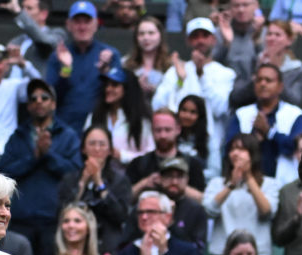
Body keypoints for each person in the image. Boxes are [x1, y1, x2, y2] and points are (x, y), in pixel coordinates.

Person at [0, 78, 82, 255]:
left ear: (54, 103)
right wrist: (34, 157)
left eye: (44, 97)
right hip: (20, 220)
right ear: (27, 106)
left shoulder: (67, 136)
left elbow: (75, 172)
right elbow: (3, 173)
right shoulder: (18, 136)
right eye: (33, 99)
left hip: (53, 219)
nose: (38, 102)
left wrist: (48, 155)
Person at [152, 17, 236, 149]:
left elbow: (220, 109)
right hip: (177, 144)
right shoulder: (175, 71)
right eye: (195, 36)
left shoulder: (226, 73)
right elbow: (157, 105)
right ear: (188, 41)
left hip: (211, 144)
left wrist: (201, 74)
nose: (200, 40)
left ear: (213, 39)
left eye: (205, 36)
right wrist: (179, 81)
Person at [45, 1, 122, 133]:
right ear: (68, 25)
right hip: (64, 128)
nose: (82, 27)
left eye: (87, 22)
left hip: (99, 129)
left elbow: (118, 98)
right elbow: (49, 97)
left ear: (96, 24)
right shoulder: (58, 55)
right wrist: (66, 68)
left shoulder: (110, 55)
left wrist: (105, 72)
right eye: (77, 22)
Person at [226, 64, 302, 188]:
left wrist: (269, 132)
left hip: (283, 185)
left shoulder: (295, 114)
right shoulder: (242, 114)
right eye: (259, 80)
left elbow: (295, 147)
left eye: (268, 80)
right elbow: (230, 147)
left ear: (280, 87)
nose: (263, 84)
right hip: (244, 184)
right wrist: (253, 139)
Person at [56, 126, 133, 255]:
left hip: (107, 246)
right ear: (83, 149)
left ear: (110, 150)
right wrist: (82, 183)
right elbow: (63, 213)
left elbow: (121, 215)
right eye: (92, 144)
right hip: (74, 246)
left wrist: (99, 183)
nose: (97, 149)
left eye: (102, 144)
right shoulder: (70, 179)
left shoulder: (120, 181)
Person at [203, 133, 279, 255]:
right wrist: (231, 184)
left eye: (242, 149)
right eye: (232, 149)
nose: (236, 153)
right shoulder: (216, 183)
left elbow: (267, 211)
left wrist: (248, 177)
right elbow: (209, 210)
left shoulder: (269, 184)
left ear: (253, 154)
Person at [86, 64, 154, 167]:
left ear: (127, 89)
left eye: (114, 85)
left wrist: (122, 156)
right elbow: (84, 146)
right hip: (100, 174)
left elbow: (150, 153)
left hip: (131, 176)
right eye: (106, 84)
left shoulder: (140, 120)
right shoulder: (95, 116)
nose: (108, 89)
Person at [3, 0, 69, 76]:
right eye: (22, 8)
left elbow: (44, 41)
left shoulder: (57, 34)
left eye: (29, 8)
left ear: (43, 14)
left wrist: (18, 12)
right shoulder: (16, 41)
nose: (24, 12)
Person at [122, 15, 172, 103]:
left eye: (151, 33)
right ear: (136, 38)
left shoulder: (171, 65)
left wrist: (156, 90)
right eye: (141, 34)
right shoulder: (125, 63)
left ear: (160, 35)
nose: (146, 38)